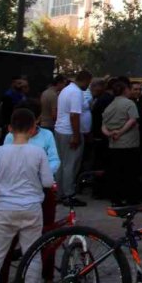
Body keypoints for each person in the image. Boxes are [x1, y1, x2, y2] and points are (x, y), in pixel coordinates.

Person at [0, 108, 54, 283]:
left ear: (9, 128)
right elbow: (48, 183)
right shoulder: (38, 153)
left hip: (4, 209)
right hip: (32, 209)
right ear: (32, 129)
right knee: (32, 255)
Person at [0, 99, 61, 283]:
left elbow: (54, 160)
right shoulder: (10, 137)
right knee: (9, 239)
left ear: (38, 119)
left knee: (47, 235)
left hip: (43, 190)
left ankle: (46, 276)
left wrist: (42, 175)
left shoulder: (47, 136)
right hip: (17, 192)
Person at [54, 70, 91, 207]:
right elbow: (74, 115)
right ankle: (69, 194)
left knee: (62, 164)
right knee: (71, 164)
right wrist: (76, 136)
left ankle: (59, 192)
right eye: (89, 83)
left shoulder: (66, 89)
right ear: (86, 80)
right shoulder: (76, 93)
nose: (88, 86)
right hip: (69, 132)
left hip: (60, 130)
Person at [101, 80, 141, 206]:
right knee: (130, 173)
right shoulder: (129, 104)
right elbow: (132, 120)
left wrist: (110, 134)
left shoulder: (110, 106)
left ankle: (116, 200)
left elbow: (103, 126)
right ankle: (131, 200)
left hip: (114, 144)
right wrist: (121, 132)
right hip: (129, 143)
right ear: (125, 90)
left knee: (116, 173)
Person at [89, 78, 114, 199]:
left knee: (99, 163)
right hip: (101, 135)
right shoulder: (104, 99)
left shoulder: (101, 99)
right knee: (101, 163)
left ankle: (98, 190)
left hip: (99, 135)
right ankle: (100, 190)